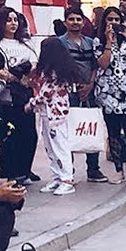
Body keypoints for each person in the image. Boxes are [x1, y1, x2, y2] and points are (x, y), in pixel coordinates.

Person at [94, 7, 126, 183]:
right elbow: (102, 63)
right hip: (109, 92)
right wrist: (109, 42)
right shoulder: (98, 41)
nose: (113, 23)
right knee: (113, 132)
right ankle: (118, 170)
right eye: (110, 19)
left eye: (117, 19)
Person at [58, 6, 109, 183]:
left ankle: (93, 169)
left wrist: (89, 85)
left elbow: (95, 65)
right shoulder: (60, 43)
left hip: (90, 91)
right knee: (68, 130)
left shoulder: (90, 42)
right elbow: (60, 67)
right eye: (71, 19)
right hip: (69, 91)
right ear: (65, 22)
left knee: (91, 126)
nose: (75, 23)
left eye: (78, 19)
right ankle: (68, 169)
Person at [30, 37, 87, 196]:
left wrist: (32, 103)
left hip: (55, 114)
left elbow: (46, 93)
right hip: (48, 114)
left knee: (59, 146)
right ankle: (57, 176)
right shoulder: (54, 70)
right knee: (50, 146)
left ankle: (66, 178)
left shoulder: (54, 72)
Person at [0, 9, 38, 182]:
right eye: (9, 20)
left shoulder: (25, 44)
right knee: (9, 136)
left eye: (15, 20)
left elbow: (34, 65)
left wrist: (26, 75)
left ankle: (25, 170)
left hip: (24, 95)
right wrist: (9, 76)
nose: (13, 23)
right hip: (4, 96)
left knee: (29, 134)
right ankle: (11, 172)